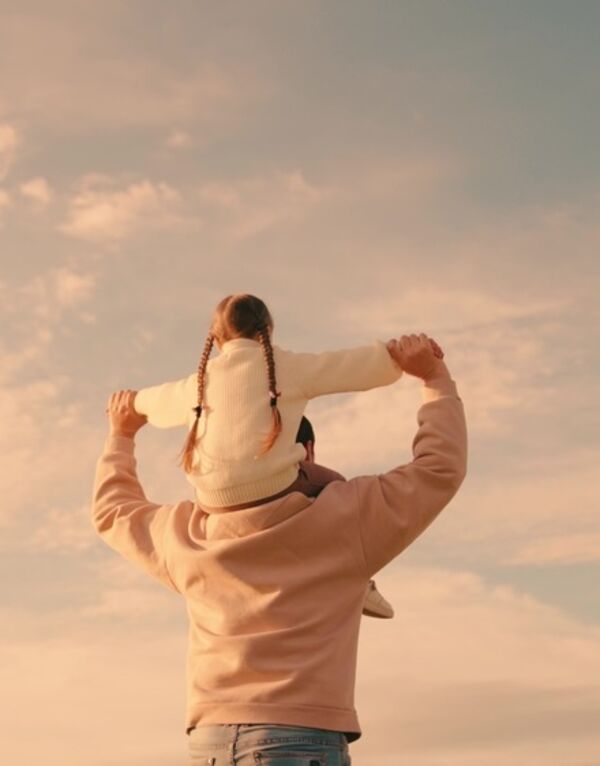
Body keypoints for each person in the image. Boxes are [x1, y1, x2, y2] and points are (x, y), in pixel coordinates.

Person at [92, 333, 467, 765]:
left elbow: (113, 512)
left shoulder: (189, 534)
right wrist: (433, 378)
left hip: (210, 739)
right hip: (301, 737)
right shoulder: (347, 518)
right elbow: (439, 468)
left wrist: (122, 434)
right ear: (305, 449)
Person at [132, 293, 443, 621]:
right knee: (337, 486)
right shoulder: (285, 367)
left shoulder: (197, 383)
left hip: (211, 501)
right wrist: (397, 355)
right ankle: (358, 575)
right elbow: (350, 366)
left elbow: (152, 402)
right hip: (273, 487)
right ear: (267, 330)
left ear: (215, 337)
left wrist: (129, 403)